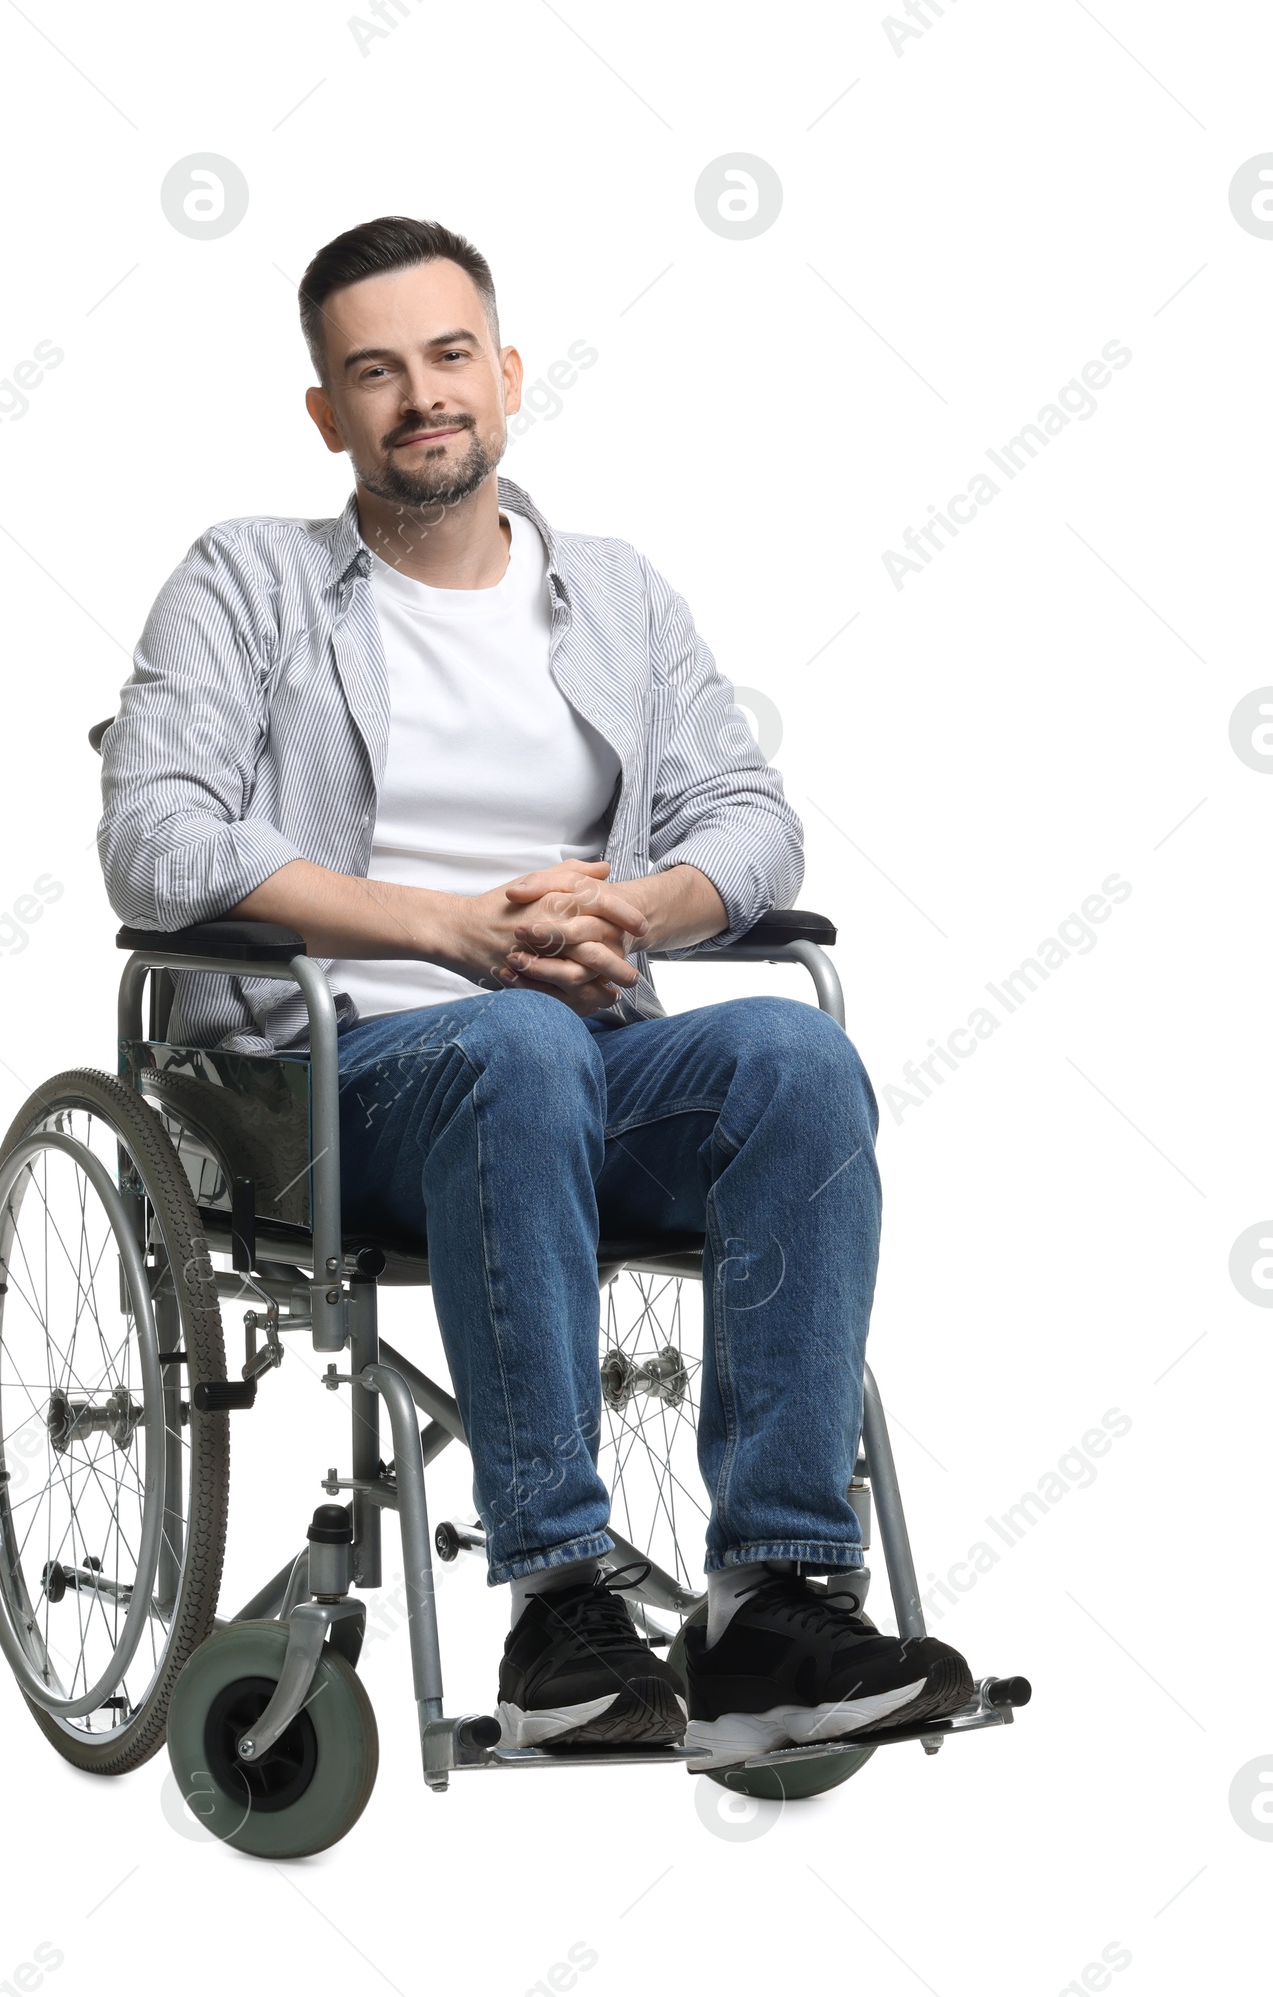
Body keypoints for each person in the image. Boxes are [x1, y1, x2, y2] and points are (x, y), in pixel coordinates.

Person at [98, 215, 972, 1762]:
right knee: (516, 1040)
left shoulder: (618, 594)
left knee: (792, 1057)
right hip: (324, 1084)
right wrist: (443, 930)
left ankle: (775, 1589)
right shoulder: (249, 577)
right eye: (374, 372)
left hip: (571, 1060)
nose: (420, 395)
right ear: (328, 413)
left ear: (506, 375)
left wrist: (634, 905)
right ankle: (561, 1596)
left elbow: (754, 822)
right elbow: (156, 837)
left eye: (448, 357)